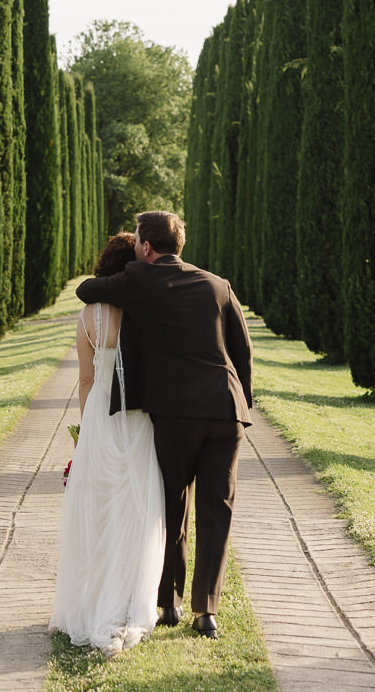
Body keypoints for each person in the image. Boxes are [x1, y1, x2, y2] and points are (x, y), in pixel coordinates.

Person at [75, 210, 253, 641]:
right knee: (218, 509)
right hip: (225, 411)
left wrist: (131, 272)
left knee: (171, 503)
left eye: (136, 240)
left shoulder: (139, 278)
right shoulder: (218, 284)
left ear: (147, 247)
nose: (134, 247)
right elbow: (241, 350)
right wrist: (242, 404)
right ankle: (206, 611)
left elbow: (86, 289)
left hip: (175, 415)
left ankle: (168, 602)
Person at [49, 232, 166, 654]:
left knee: (97, 510)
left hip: (100, 412)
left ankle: (93, 599)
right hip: (136, 414)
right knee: (135, 506)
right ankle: (133, 598)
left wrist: (87, 431)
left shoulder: (88, 315)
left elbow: (84, 378)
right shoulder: (142, 308)